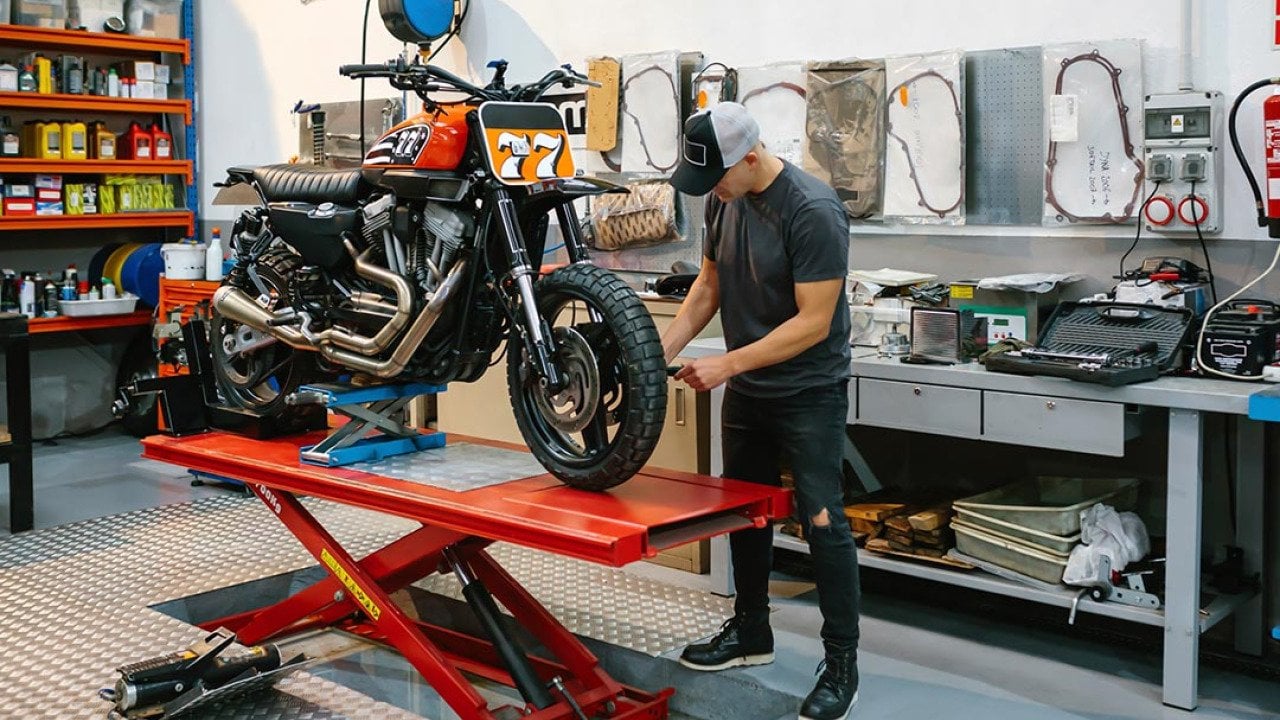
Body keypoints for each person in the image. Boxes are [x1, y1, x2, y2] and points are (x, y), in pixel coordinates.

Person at [662, 102, 859, 720]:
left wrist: (726, 364)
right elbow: (708, 286)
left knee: (823, 521)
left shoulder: (813, 210)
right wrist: (653, 352)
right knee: (746, 512)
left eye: (716, 176)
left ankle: (842, 664)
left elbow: (814, 322)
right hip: (750, 389)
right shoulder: (723, 199)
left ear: (750, 158)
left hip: (808, 391)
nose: (710, 190)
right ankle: (751, 631)